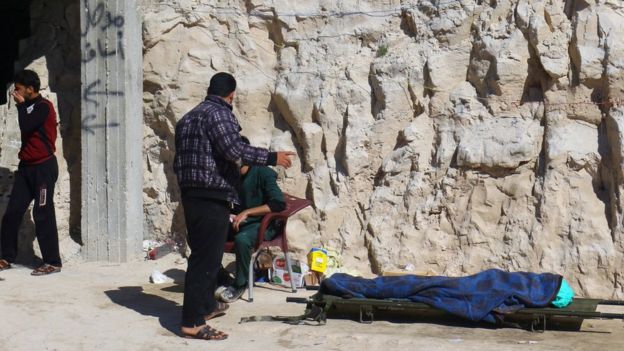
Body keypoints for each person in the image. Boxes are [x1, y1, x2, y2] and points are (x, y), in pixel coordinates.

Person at [173, 72, 294, 340]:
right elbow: (234, 150)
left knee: (205, 254)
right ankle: (192, 322)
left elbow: (179, 162)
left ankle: (205, 307)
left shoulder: (187, 118)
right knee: (205, 259)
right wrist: (272, 157)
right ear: (231, 96)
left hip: (191, 195)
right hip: (212, 195)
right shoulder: (218, 114)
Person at [0, 69, 61, 276]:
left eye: (18, 89)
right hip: (26, 168)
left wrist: (20, 106)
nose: (14, 92)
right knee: (12, 213)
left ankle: (52, 261)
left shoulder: (43, 107)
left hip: (43, 168)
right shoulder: (28, 106)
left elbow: (27, 125)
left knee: (43, 213)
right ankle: (6, 257)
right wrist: (22, 105)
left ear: (30, 89)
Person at [217, 136, 286, 303]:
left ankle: (240, 284)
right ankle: (218, 275)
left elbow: (278, 203)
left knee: (242, 240)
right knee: (200, 231)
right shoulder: (229, 175)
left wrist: (247, 212)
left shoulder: (263, 173)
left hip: (262, 224)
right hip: (238, 222)